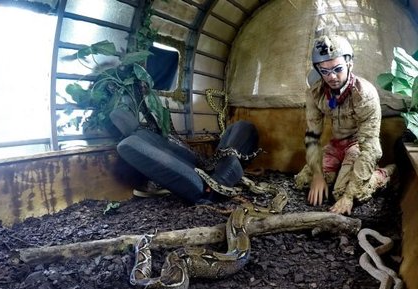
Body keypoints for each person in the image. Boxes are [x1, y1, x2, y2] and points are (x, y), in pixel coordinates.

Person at [294, 34, 395, 215]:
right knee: (303, 181)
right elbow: (312, 137)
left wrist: (348, 196)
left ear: (349, 64)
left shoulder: (365, 95)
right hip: (335, 145)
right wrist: (317, 175)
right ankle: (335, 174)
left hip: (358, 145)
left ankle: (384, 174)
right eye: (324, 71)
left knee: (343, 192)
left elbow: (371, 148)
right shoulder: (315, 93)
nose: (332, 77)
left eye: (337, 69)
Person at [110, 108, 259, 204]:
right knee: (244, 130)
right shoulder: (132, 145)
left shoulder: (147, 136)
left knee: (239, 127)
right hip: (212, 187)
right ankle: (224, 177)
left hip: (207, 169)